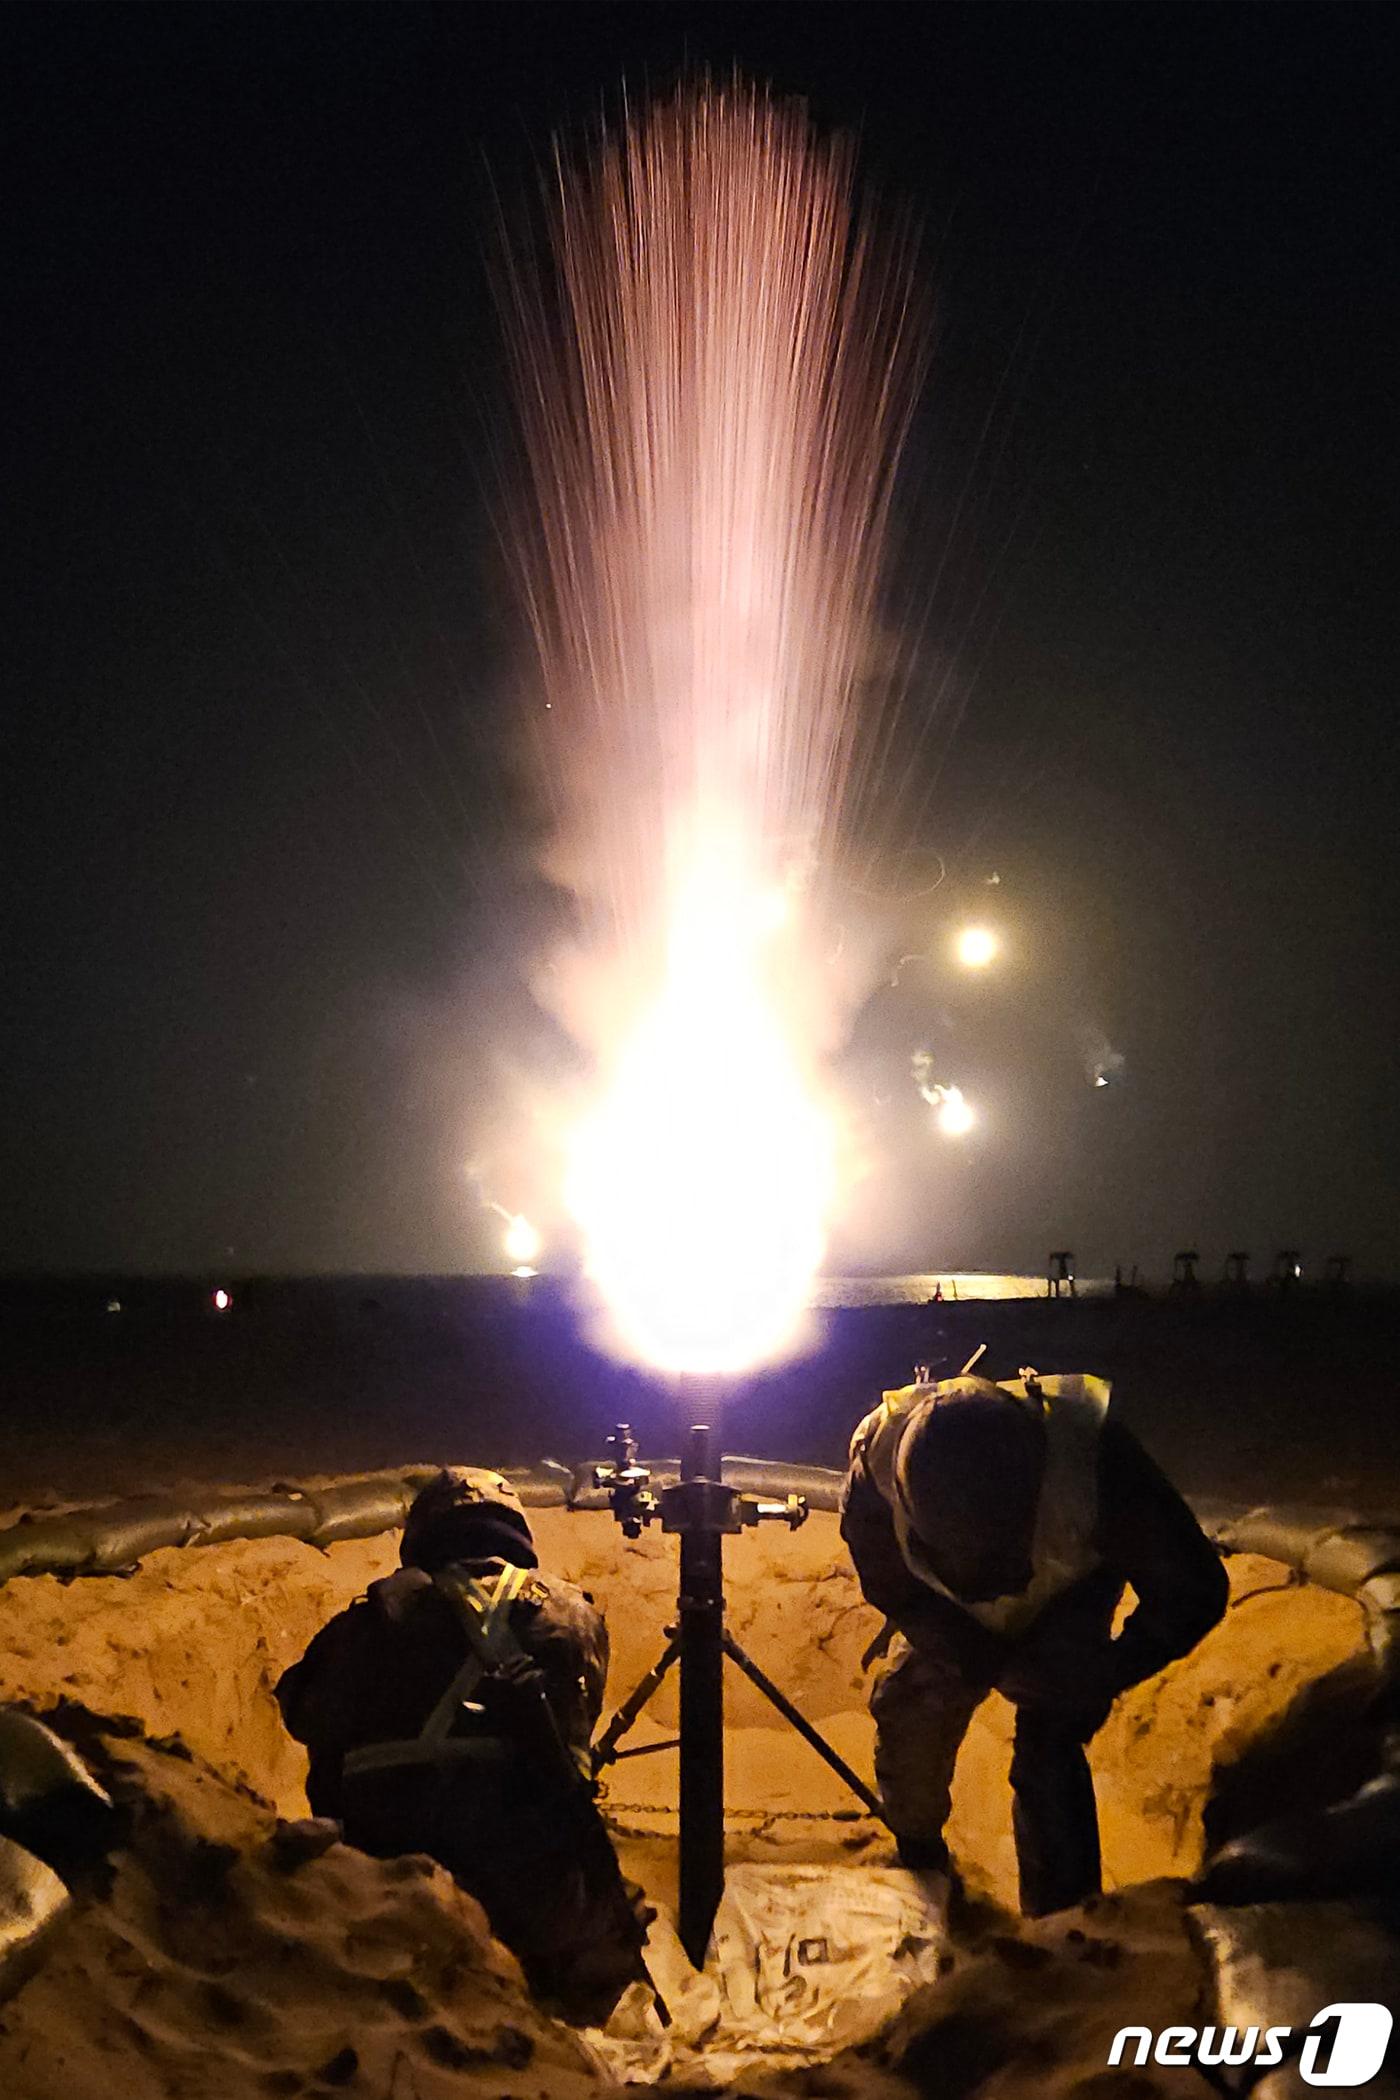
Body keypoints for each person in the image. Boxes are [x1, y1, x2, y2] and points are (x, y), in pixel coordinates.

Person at [841, 1371, 1228, 1917]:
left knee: (1050, 1746)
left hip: (1065, 1592)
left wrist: (1106, 1671)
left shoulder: (1101, 1468)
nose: (985, 1582)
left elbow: (1194, 1589)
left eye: (995, 1558)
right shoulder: (874, 1466)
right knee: (912, 1713)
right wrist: (974, 1654)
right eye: (955, 1556)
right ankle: (920, 1861)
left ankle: (1063, 1928)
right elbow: (890, 1584)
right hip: (946, 1614)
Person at [275, 1467, 650, 2024]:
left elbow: (306, 1715)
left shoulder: (377, 1617)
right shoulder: (575, 1615)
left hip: (388, 1875)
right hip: (534, 1892)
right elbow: (577, 1727)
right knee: (618, 1914)